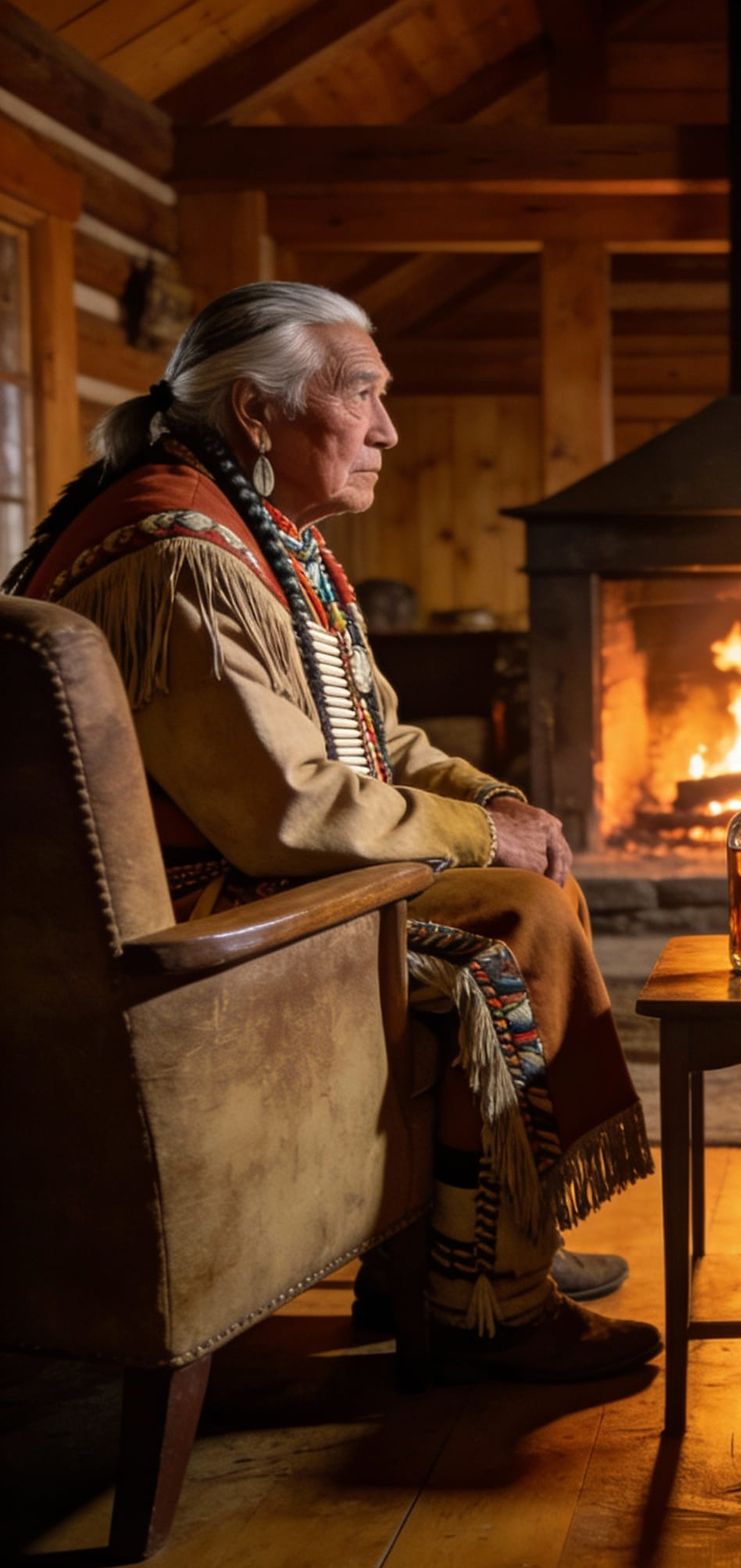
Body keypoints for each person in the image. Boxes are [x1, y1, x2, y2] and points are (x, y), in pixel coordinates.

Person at [3, 282, 660, 1382]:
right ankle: (492, 1306)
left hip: (251, 866)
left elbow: (379, 739)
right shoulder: (179, 554)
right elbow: (286, 810)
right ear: (257, 412)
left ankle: (463, 1250)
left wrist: (500, 805)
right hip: (195, 913)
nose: (389, 430)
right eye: (362, 395)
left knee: (529, 869)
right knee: (517, 917)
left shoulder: (267, 538)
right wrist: (484, 843)